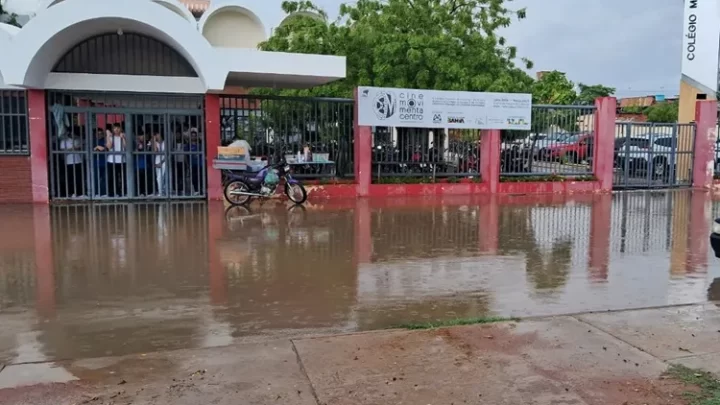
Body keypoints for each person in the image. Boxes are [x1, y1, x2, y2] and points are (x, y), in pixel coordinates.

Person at [60, 131, 84, 197]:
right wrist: (72, 149)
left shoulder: (78, 139)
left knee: (78, 178)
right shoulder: (64, 141)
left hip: (78, 161)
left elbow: (81, 147)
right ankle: (71, 192)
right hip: (69, 162)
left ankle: (79, 193)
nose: (75, 135)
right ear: (69, 133)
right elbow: (62, 152)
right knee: (70, 178)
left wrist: (76, 148)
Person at [106, 123, 126, 197]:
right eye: (115, 128)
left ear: (121, 129)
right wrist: (108, 136)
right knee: (112, 178)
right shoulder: (111, 137)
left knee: (122, 178)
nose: (116, 129)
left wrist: (123, 138)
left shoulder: (124, 136)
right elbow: (109, 146)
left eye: (118, 128)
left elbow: (126, 147)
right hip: (112, 160)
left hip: (122, 160)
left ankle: (122, 192)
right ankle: (111, 193)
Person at [92, 127, 108, 196]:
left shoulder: (105, 141)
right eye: (98, 134)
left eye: (101, 133)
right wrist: (96, 148)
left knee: (105, 179)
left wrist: (103, 148)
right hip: (95, 163)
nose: (99, 135)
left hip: (105, 163)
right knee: (95, 179)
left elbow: (108, 148)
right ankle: (95, 193)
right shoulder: (92, 141)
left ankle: (104, 193)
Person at [135, 132, 151, 196]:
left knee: (145, 180)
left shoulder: (147, 143)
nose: (142, 137)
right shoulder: (135, 143)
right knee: (139, 180)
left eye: (143, 136)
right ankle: (139, 192)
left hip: (146, 165)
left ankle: (145, 192)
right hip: (138, 165)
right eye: (141, 136)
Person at [153, 131, 167, 196]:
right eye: (156, 135)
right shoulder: (155, 143)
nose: (157, 136)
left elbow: (166, 154)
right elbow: (156, 151)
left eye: (158, 135)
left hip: (164, 162)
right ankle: (162, 192)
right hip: (157, 162)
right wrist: (154, 142)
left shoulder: (165, 143)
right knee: (159, 178)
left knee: (160, 178)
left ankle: (161, 193)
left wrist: (161, 162)